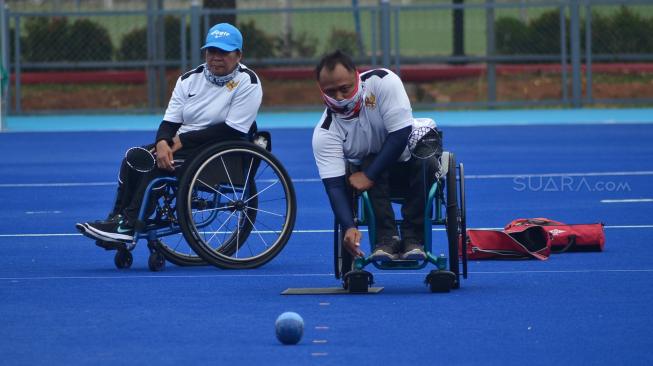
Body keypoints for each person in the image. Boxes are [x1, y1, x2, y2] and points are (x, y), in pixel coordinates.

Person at [77, 23, 262, 245]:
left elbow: (232, 129)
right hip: (182, 145)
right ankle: (116, 219)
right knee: (135, 157)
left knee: (159, 163)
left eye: (223, 52)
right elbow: (170, 121)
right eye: (212, 51)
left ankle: (129, 223)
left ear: (238, 55)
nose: (216, 57)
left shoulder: (248, 82)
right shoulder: (188, 80)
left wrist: (179, 141)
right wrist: (162, 141)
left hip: (220, 152)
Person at [312, 50, 440, 262]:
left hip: (411, 156)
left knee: (424, 162)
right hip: (372, 178)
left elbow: (400, 135)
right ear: (321, 90)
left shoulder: (383, 81)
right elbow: (334, 186)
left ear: (356, 77)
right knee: (370, 161)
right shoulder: (324, 133)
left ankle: (413, 238)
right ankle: (385, 240)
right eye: (330, 92)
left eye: (345, 89)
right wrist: (349, 226)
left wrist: (369, 175)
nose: (339, 98)